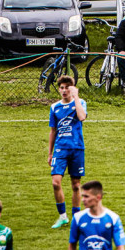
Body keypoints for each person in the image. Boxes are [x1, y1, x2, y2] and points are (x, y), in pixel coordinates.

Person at [48, 76, 87, 229]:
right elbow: (53, 131)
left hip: (77, 148)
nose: (64, 91)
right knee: (55, 182)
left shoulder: (80, 102)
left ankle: (76, 218)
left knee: (76, 185)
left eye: (67, 88)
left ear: (72, 88)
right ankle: (63, 216)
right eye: (62, 88)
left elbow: (82, 117)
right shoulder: (54, 107)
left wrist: (76, 97)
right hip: (60, 149)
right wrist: (50, 153)